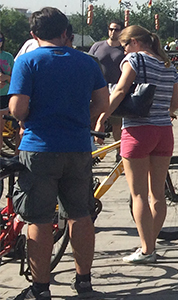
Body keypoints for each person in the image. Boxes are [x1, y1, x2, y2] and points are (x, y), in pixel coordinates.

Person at [8, 7, 109, 299]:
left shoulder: (27, 61)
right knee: (80, 214)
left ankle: (40, 288)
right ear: (66, 33)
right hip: (78, 147)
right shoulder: (88, 63)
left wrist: (29, 118)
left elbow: (17, 109)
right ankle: (84, 281)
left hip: (39, 147)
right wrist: (80, 119)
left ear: (33, 35)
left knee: (38, 219)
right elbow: (103, 103)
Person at [95, 25, 178, 265]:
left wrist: (103, 117)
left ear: (134, 42)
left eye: (124, 45)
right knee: (158, 195)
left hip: (137, 130)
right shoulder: (168, 65)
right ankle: (149, 244)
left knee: (138, 194)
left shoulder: (135, 59)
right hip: (164, 131)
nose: (123, 51)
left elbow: (121, 89)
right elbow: (175, 103)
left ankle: (146, 250)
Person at [88, 20, 127, 141]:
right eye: (111, 29)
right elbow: (89, 62)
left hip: (116, 89)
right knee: (93, 118)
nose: (113, 32)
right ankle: (93, 151)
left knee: (117, 123)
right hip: (98, 89)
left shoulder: (124, 49)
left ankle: (119, 153)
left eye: (116, 30)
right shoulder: (97, 46)